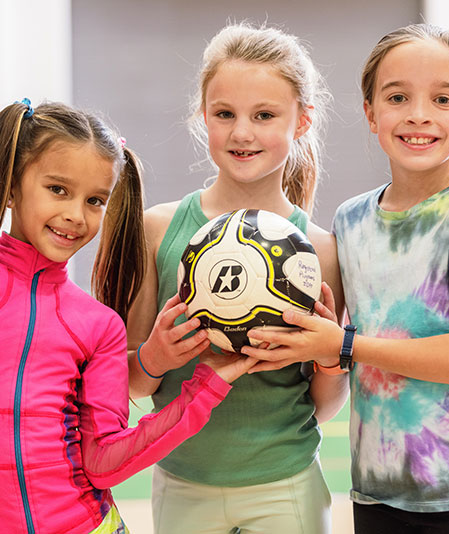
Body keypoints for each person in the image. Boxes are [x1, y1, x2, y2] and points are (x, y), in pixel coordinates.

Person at [0, 99, 256, 534]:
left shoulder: (98, 326)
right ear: (9, 184)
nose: (75, 216)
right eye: (58, 189)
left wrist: (204, 388)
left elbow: (102, 464)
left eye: (95, 200)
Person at [242, 23, 449, 534]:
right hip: (378, 489)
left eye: (442, 99)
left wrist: (348, 345)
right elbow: (336, 346)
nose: (419, 114)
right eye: (398, 97)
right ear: (371, 113)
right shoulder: (352, 221)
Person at [121, 23, 347, 534]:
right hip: (181, 478)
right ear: (204, 118)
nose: (242, 132)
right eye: (225, 114)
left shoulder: (320, 249)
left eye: (264, 115)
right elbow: (134, 381)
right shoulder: (158, 229)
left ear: (303, 121)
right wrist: (157, 357)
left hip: (285, 484)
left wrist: (330, 359)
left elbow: (324, 405)